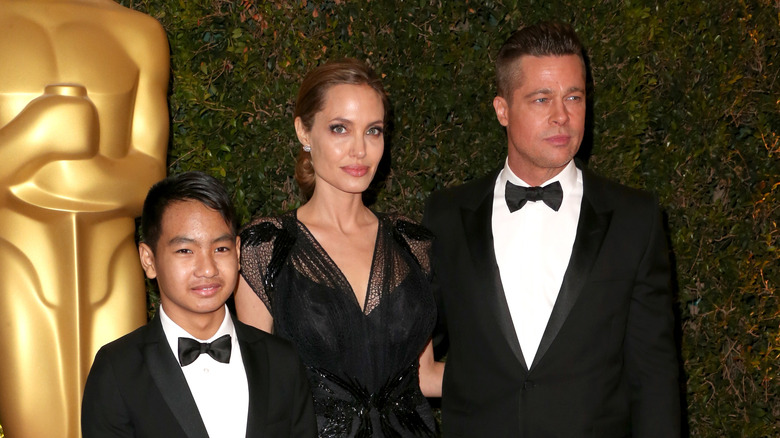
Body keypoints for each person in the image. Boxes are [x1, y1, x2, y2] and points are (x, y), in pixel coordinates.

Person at [422, 22, 680, 436]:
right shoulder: (446, 215)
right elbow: (413, 347)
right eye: (542, 99)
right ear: (502, 109)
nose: (562, 116)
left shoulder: (635, 219)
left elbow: (654, 378)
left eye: (573, 97)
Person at [236, 59, 442, 437]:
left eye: (373, 131)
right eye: (339, 129)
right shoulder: (266, 247)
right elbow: (255, 389)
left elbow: (426, 376)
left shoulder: (413, 244)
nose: (360, 150)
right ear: (304, 131)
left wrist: (533, 373)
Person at [0, 1, 168, 436]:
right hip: (14, 266)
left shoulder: (140, 35)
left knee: (118, 421)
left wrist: (71, 176)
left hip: (113, 271)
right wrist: (33, 134)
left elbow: (151, 179)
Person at [81, 171, 317, 438]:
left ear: (238, 252)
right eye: (185, 251)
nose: (207, 269)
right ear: (149, 260)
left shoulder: (281, 361)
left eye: (220, 249)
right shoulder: (118, 370)